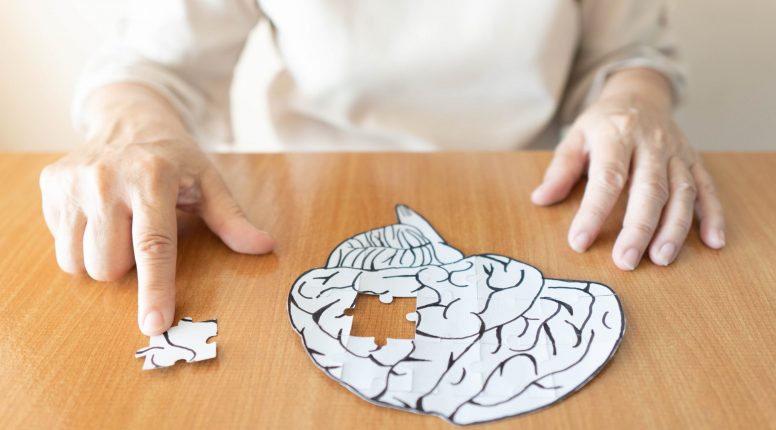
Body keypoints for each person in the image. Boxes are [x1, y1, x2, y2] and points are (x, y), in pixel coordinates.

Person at [38, 0, 725, 336]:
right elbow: (149, 68)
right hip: (299, 222)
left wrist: (635, 100)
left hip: (547, 205)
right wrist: (133, 132)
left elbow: (631, 51)